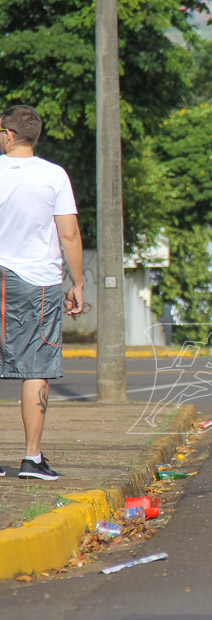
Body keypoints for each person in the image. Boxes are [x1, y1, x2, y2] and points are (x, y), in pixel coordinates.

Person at [0, 105, 84, 481]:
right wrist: (77, 284)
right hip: (38, 282)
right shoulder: (54, 176)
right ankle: (31, 458)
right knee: (35, 368)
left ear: (9, 134)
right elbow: (69, 233)